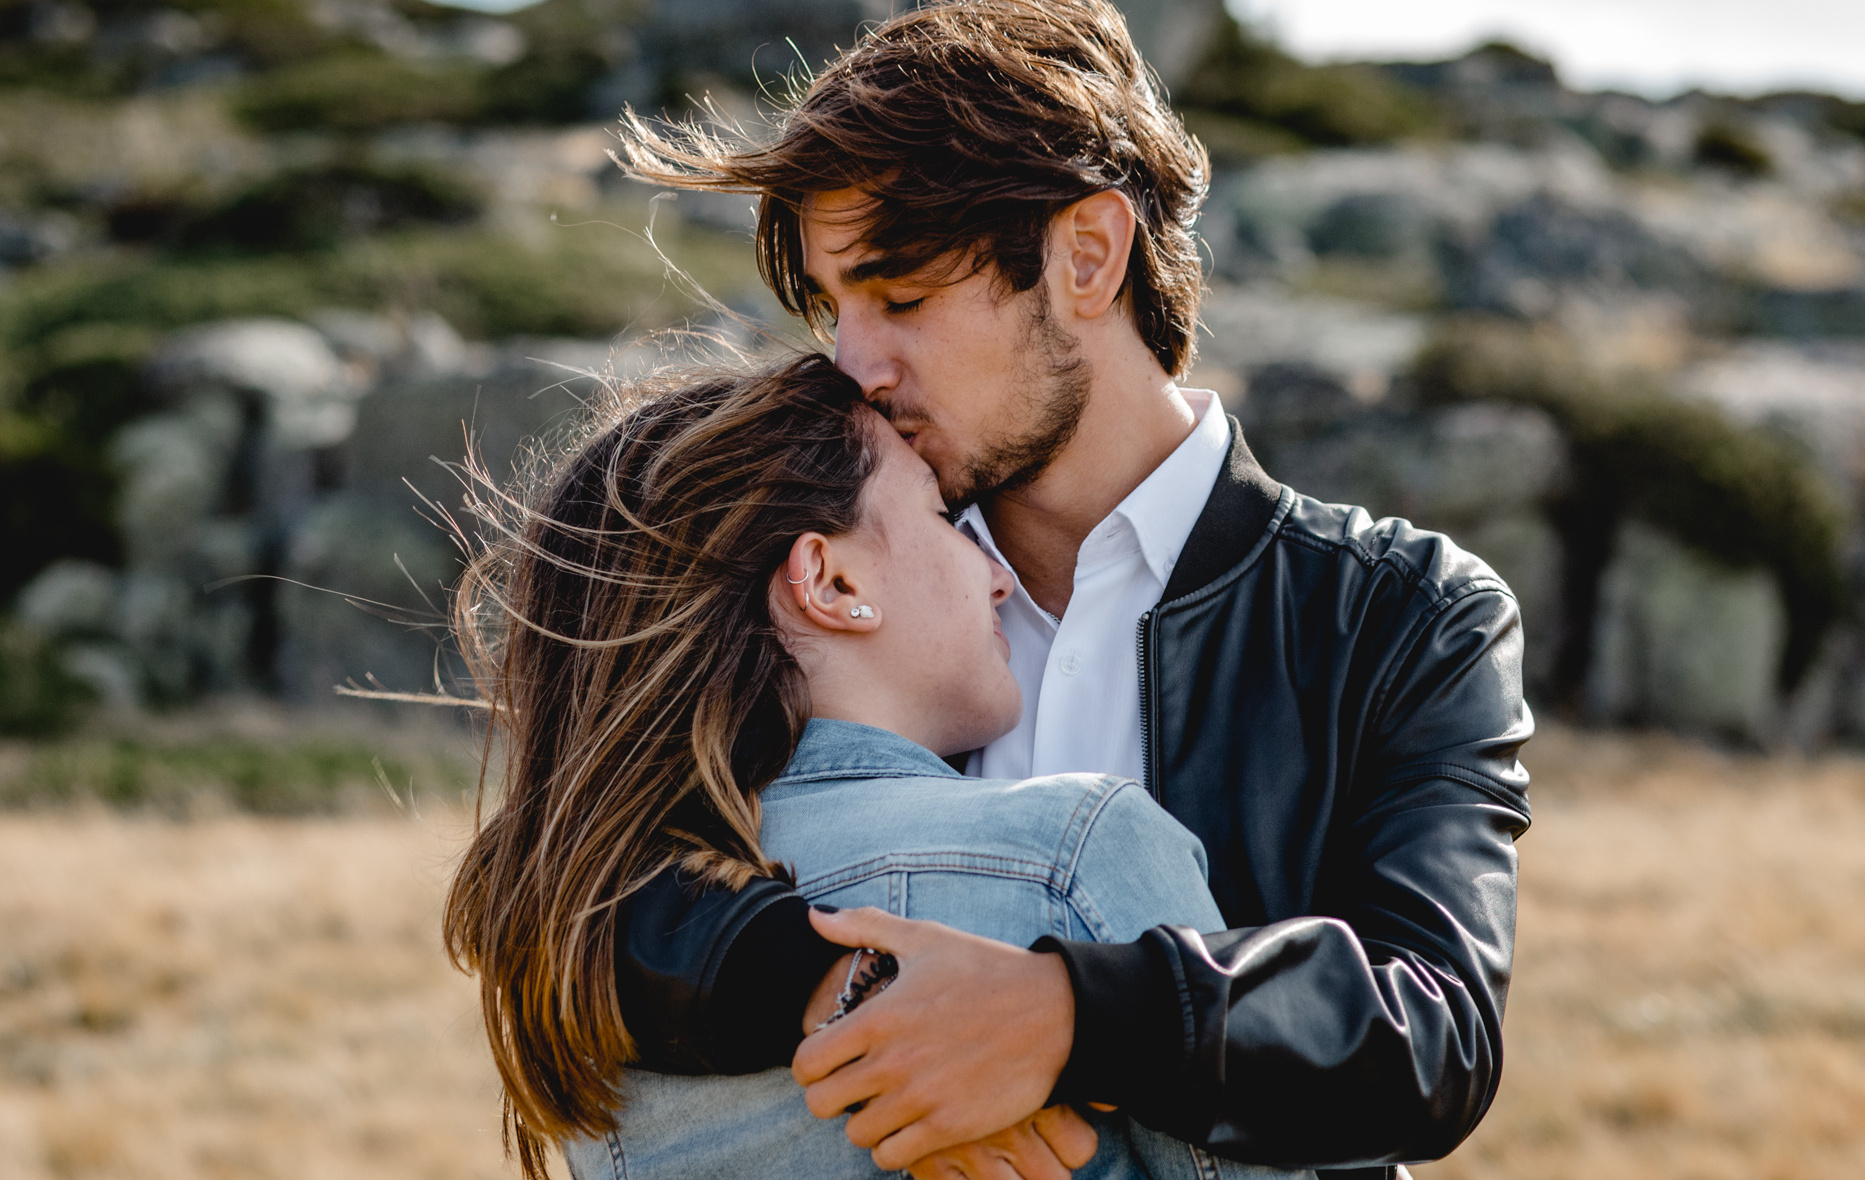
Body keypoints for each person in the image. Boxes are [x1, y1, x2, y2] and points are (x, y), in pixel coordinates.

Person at [605, 2, 1534, 1178]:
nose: (854, 365)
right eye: (834, 310)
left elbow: (1431, 1032)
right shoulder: (832, 578)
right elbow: (585, 903)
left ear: (1086, 256)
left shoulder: (1405, 614)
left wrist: (1061, 1017)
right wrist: (866, 998)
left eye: (901, 296)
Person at [440, 355, 1311, 1180]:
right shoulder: (1073, 855)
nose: (999, 576)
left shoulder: (578, 949)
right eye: (945, 519)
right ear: (832, 583)